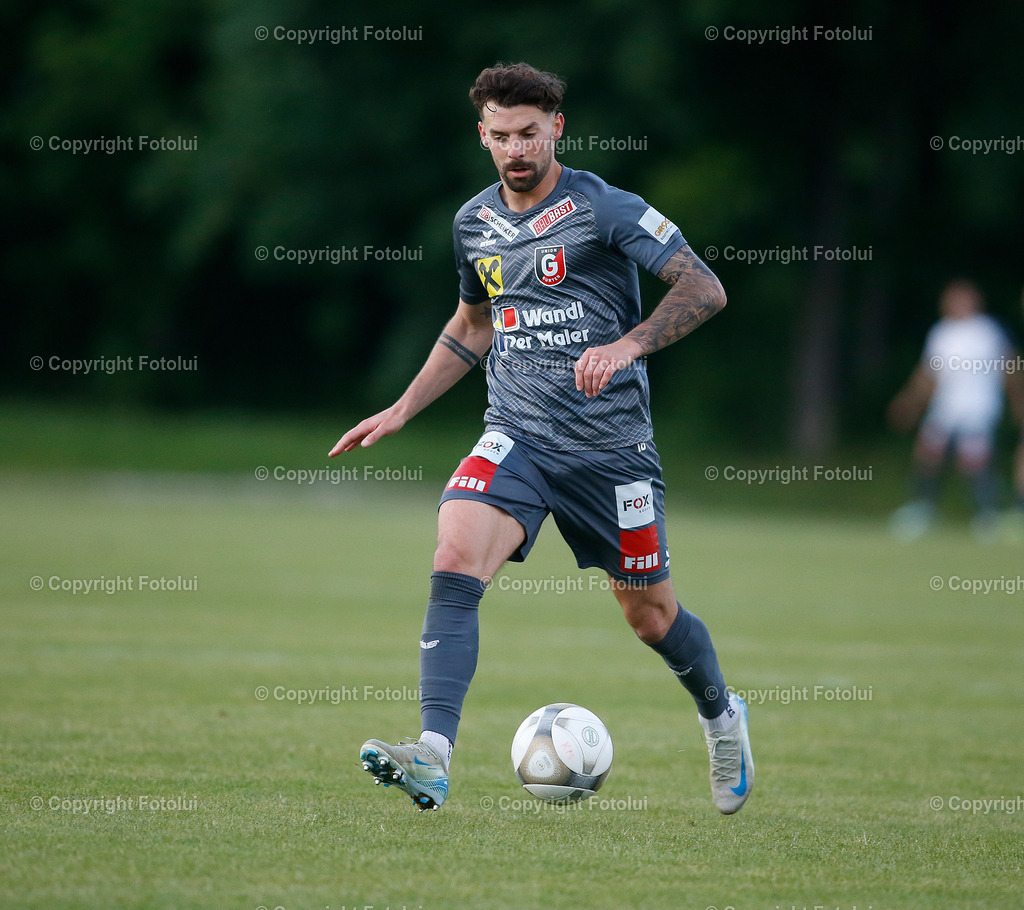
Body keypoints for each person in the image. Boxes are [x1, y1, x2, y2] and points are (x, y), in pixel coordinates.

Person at [329, 62, 753, 814]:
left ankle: (721, 716)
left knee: (650, 617)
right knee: (454, 552)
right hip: (517, 435)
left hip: (611, 451)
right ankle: (432, 754)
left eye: (529, 133)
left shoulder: (606, 208)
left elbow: (704, 288)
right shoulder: (473, 223)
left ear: (557, 127)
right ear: (482, 135)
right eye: (501, 136)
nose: (516, 148)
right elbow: (472, 325)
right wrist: (403, 407)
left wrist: (628, 346)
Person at [888, 279, 1014, 540]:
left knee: (974, 461)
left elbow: (1009, 367)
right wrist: (909, 402)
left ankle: (987, 515)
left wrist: (1017, 398)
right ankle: (923, 510)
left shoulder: (988, 331)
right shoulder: (942, 332)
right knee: (927, 454)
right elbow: (928, 373)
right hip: (946, 406)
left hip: (979, 406)